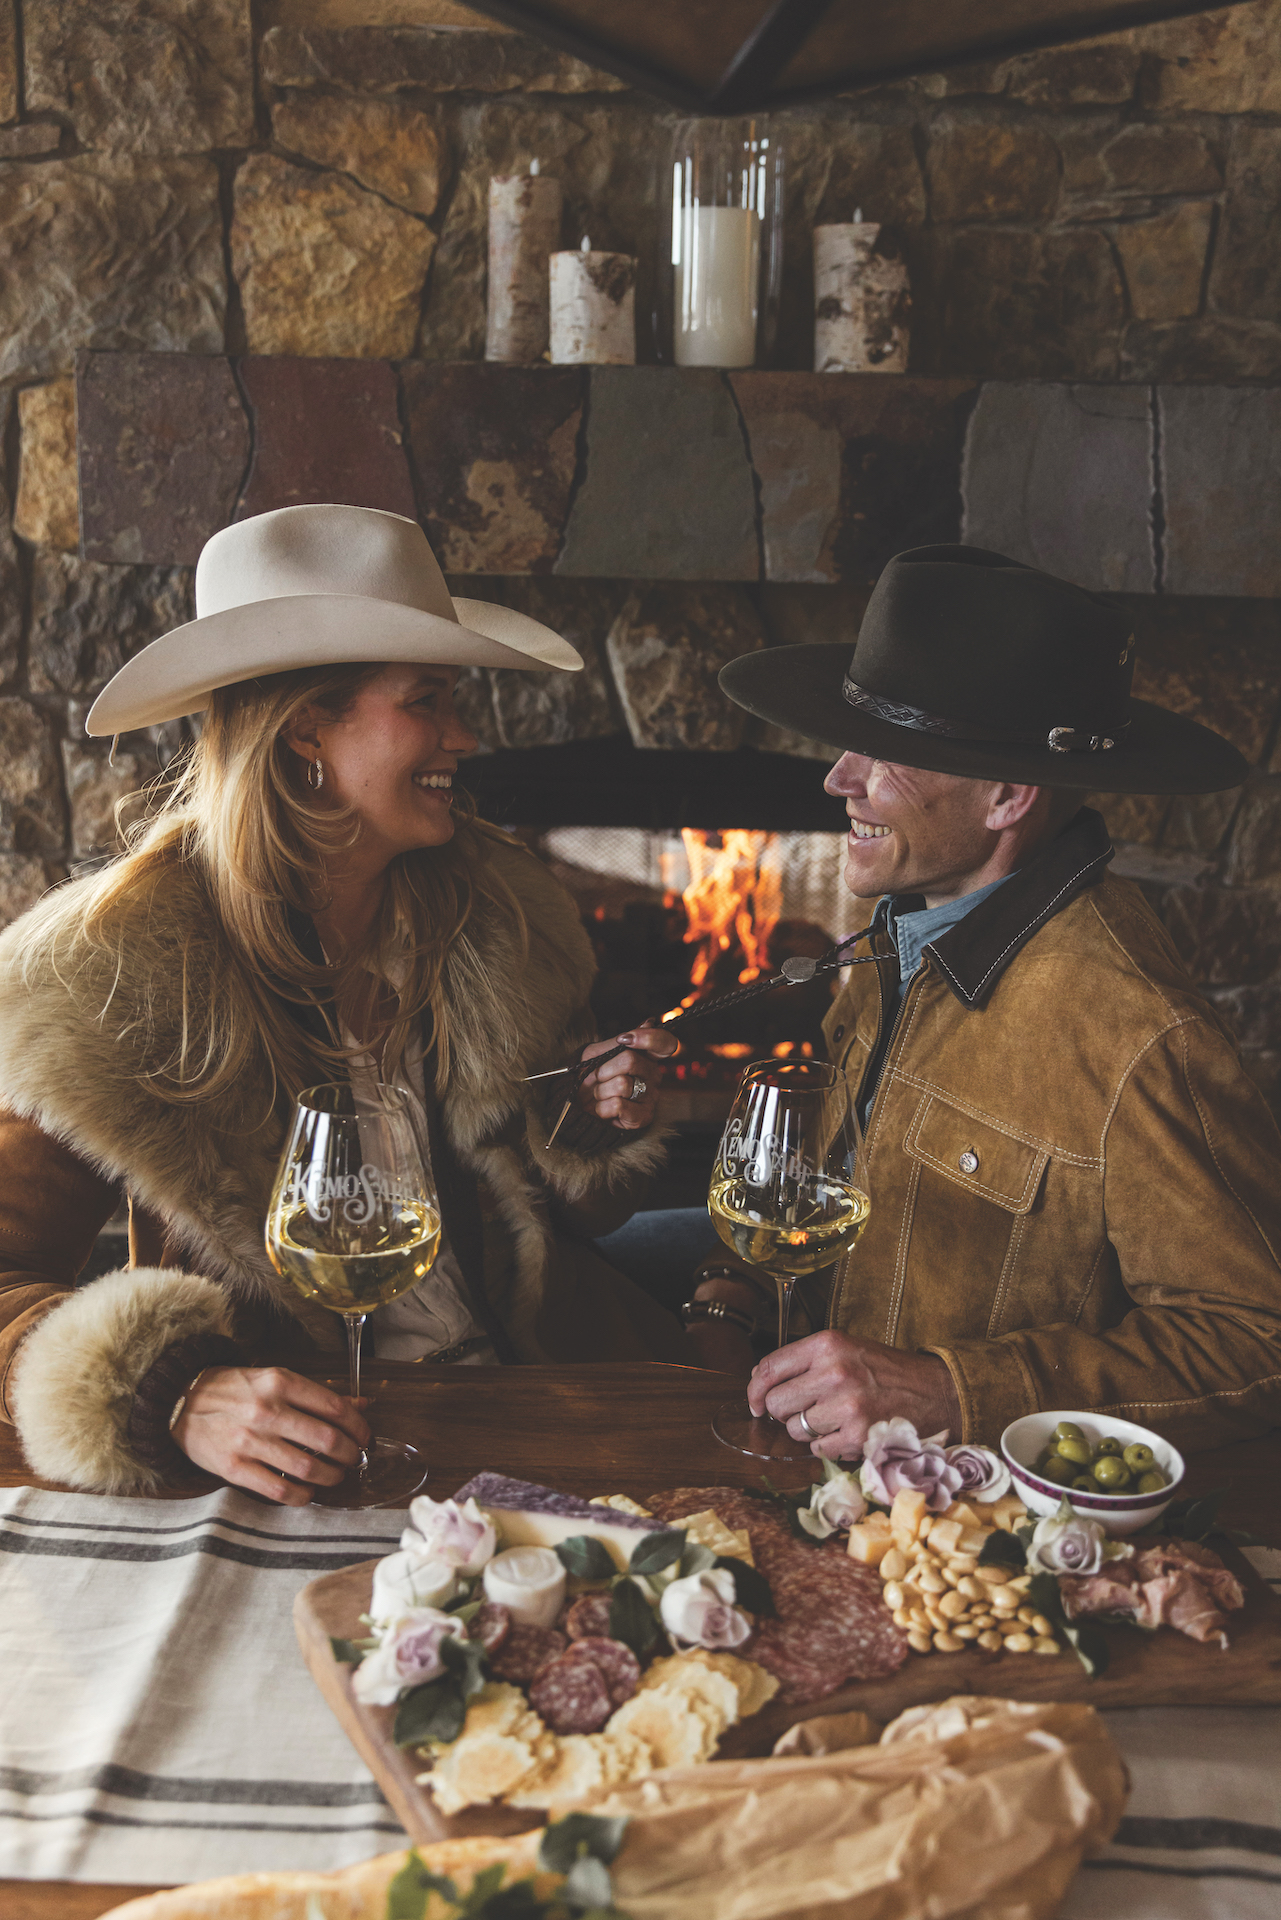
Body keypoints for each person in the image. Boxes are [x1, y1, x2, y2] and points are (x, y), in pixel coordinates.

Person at [0, 504, 682, 1503]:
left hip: (544, 1393)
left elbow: (578, 1219)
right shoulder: (108, 976)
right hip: (308, 1452)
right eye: (427, 700)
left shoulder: (501, 920)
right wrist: (172, 1394)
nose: (465, 736)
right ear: (304, 729)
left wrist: (584, 1127)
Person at [686, 544, 1281, 1456]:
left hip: (971, 1502)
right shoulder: (903, 925)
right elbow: (831, 1187)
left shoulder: (1139, 1033)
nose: (838, 779)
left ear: (1005, 796)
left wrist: (951, 1391)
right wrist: (729, 1297)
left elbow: (1255, 1345)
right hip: (807, 1438)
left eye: (884, 754)